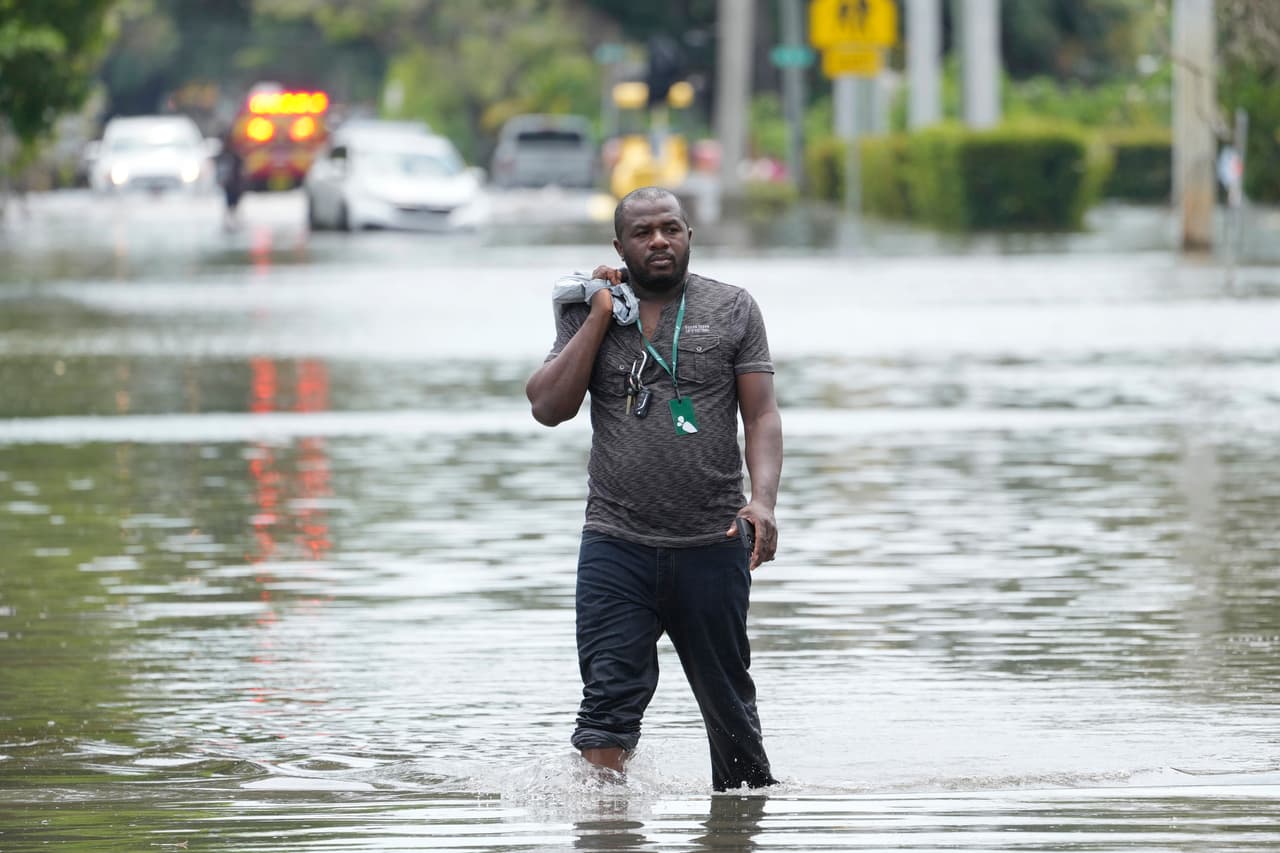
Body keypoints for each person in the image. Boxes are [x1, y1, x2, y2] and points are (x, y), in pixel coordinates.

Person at [525, 186, 783, 791]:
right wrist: (596, 315)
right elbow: (548, 407)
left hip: (714, 542)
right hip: (617, 544)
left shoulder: (733, 308)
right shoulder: (587, 309)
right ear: (620, 246)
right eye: (643, 233)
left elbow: (763, 415)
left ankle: (742, 823)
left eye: (670, 228)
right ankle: (607, 828)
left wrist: (763, 501)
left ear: (689, 235)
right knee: (605, 711)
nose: (659, 240)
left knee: (731, 717)